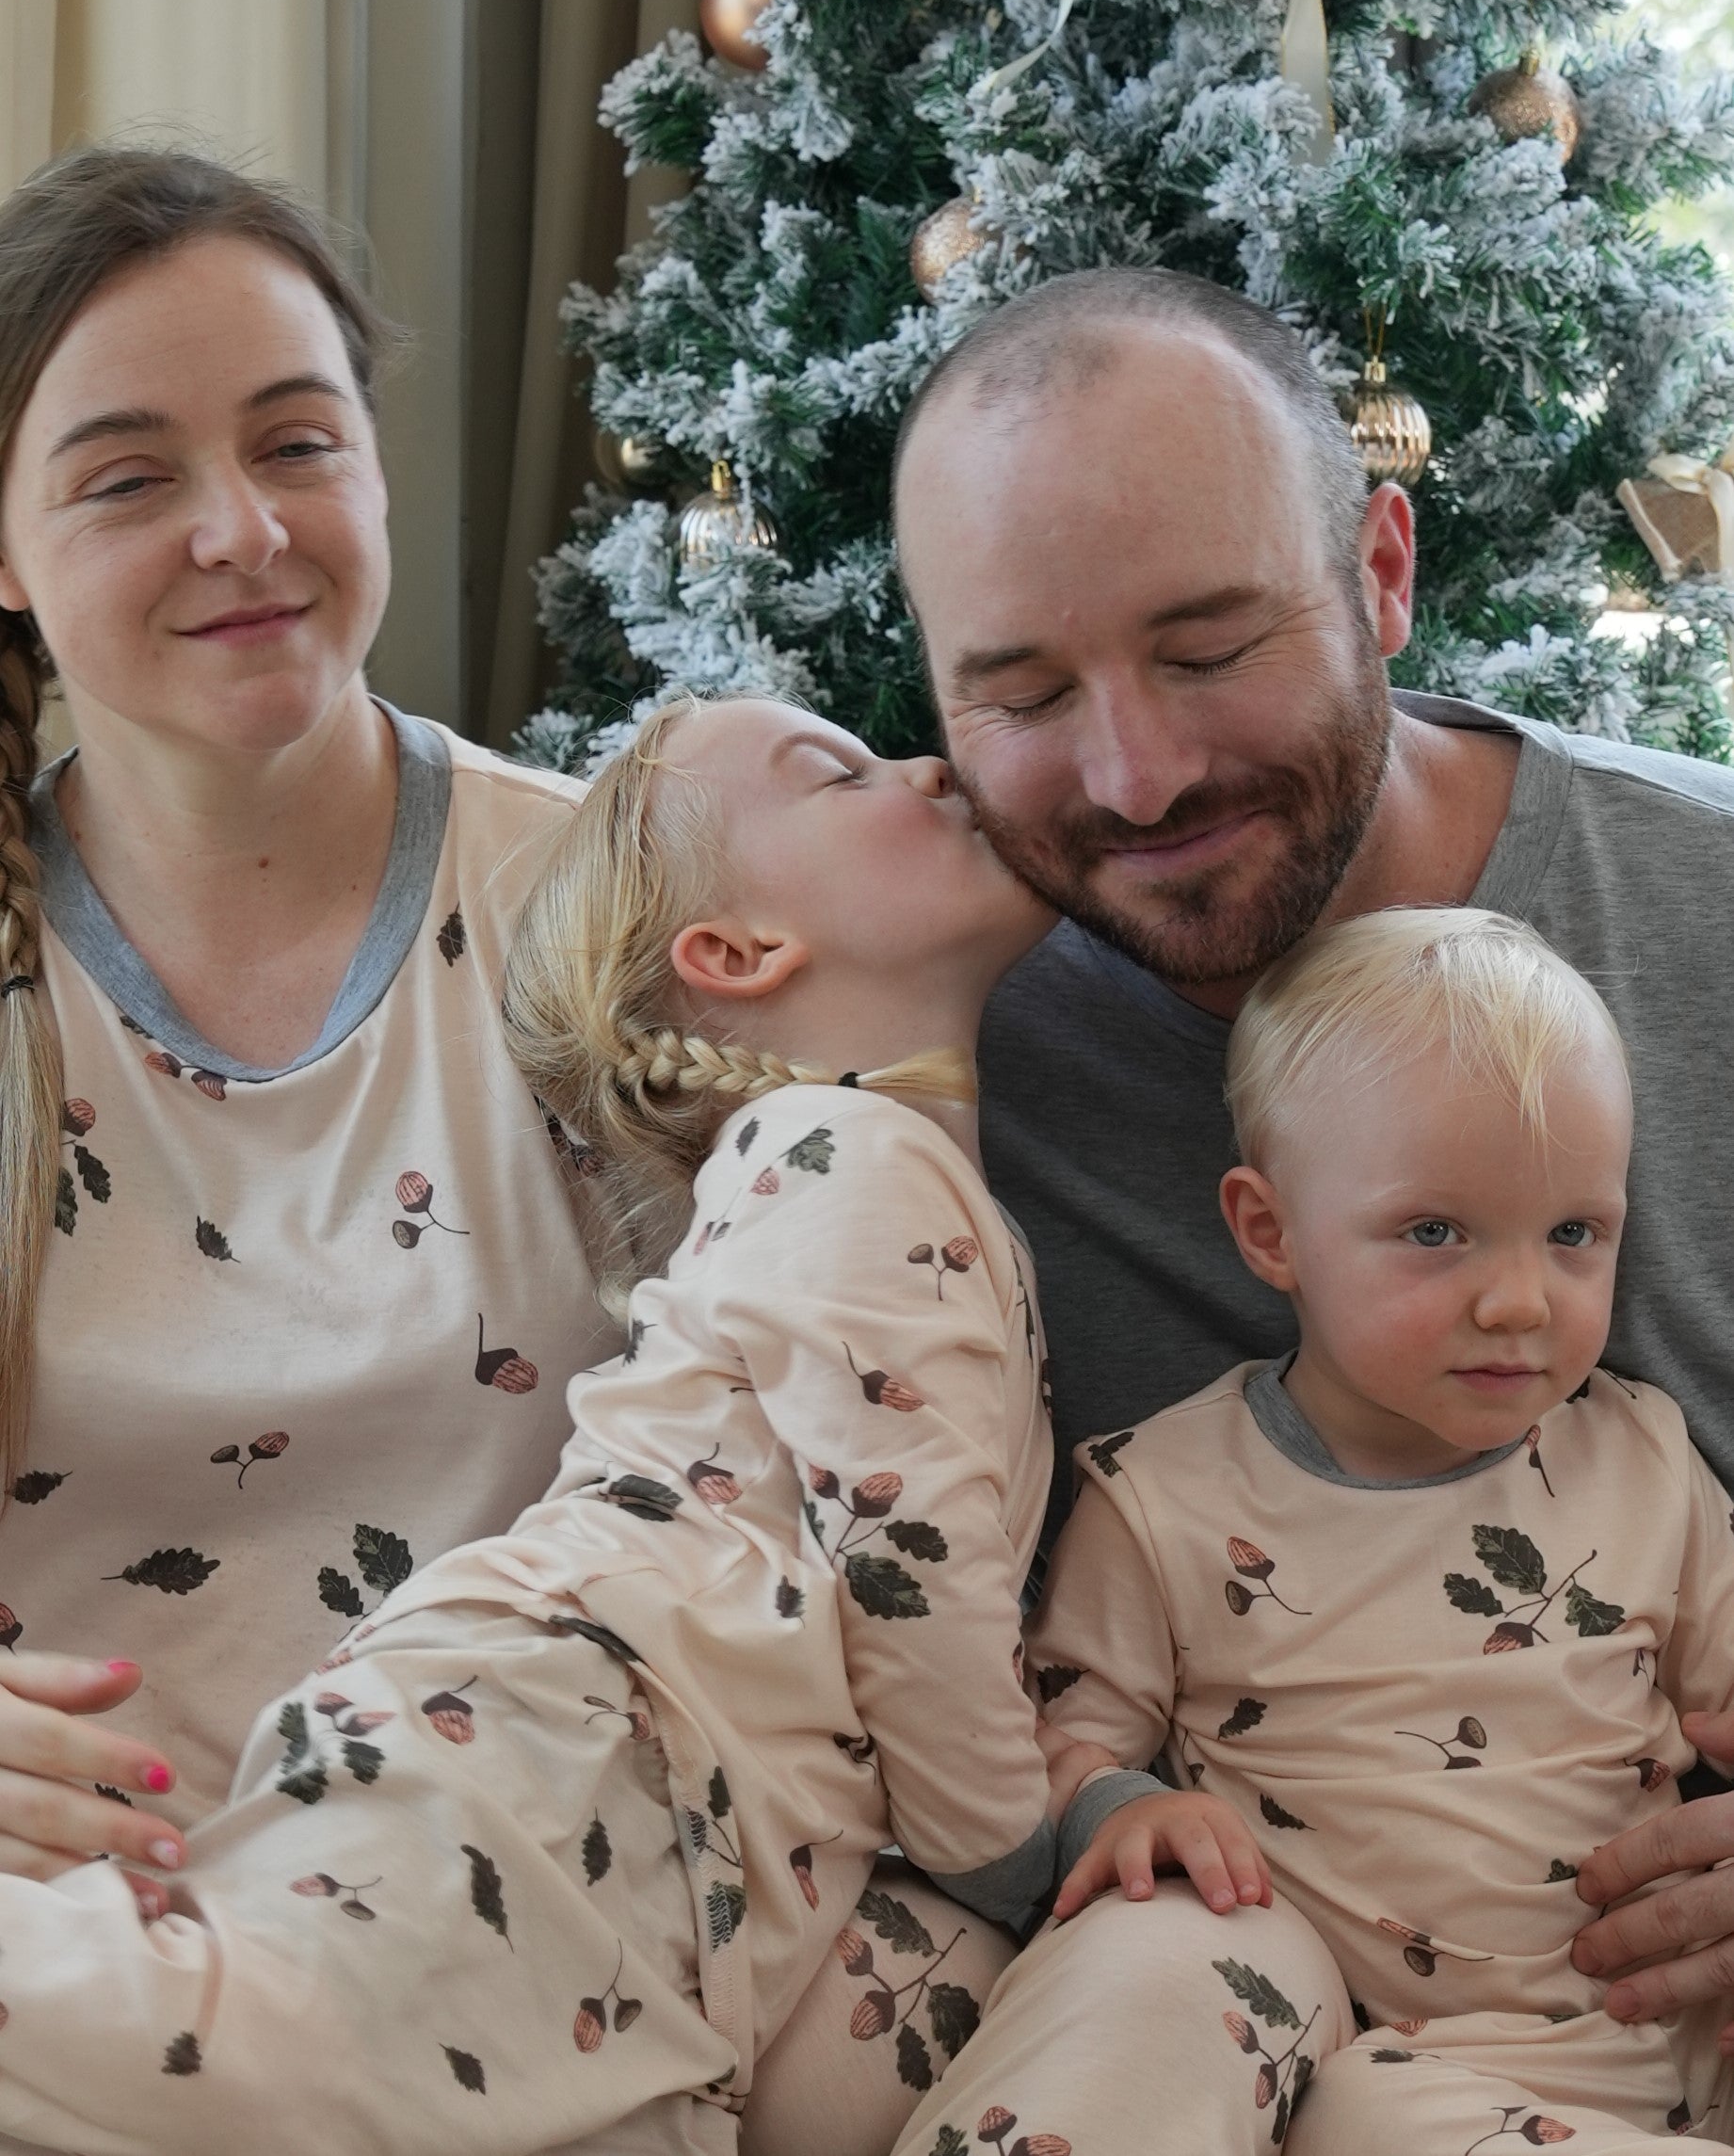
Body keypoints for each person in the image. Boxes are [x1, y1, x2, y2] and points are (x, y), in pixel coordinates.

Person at [0, 692, 1135, 2156]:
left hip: (688, 1880)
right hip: (550, 1742)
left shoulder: (885, 1181)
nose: (926, 765)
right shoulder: (843, 1152)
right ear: (735, 952)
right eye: (838, 773)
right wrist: (1011, 1844)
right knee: (212, 2039)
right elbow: (903, 1553)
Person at [889, 264, 1734, 2038]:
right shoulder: (924, 1026)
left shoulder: (1702, 903)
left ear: (1382, 574)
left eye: (1206, 651)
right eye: (1023, 696)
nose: (1131, 778)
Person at [0, 145, 614, 1901]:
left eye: (296, 443)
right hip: (65, 1905)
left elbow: (799, 1449)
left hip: (524, 1880)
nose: (244, 532)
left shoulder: (615, 913)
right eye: (127, 478)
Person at [1001, 906, 1734, 2154]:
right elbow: (1051, 1744)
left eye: (1572, 1233)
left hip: (1686, 2028)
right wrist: (1121, 1806)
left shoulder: (1644, 1457)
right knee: (1365, 2115)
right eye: (1433, 1233)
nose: (1516, 1301)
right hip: (1409, 2076)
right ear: (1269, 1232)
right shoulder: (1163, 1498)